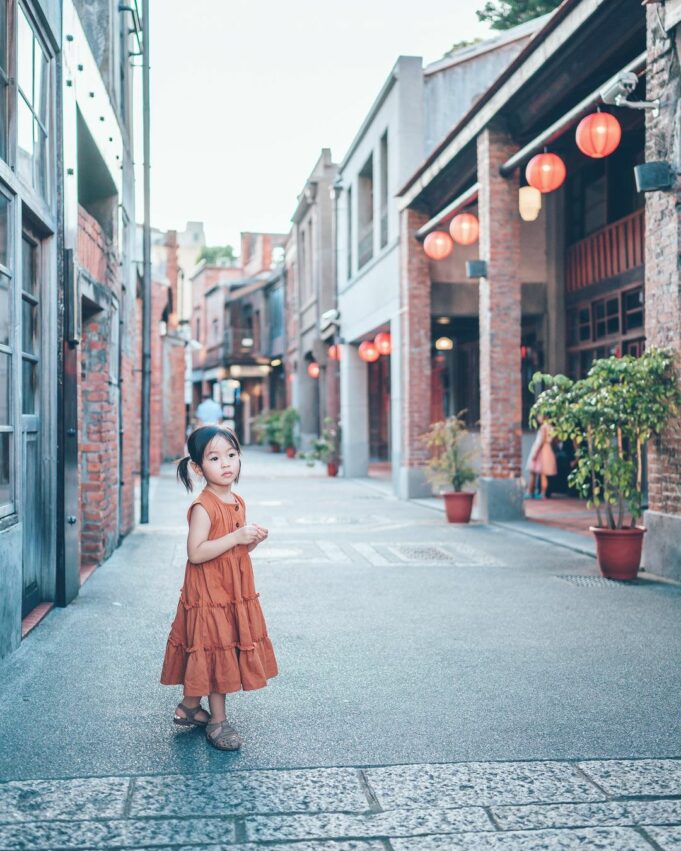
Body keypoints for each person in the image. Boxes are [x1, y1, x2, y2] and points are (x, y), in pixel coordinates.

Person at [160, 425, 278, 750]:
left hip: (232, 590)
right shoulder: (204, 506)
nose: (226, 463)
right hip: (209, 593)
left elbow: (233, 551)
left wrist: (251, 541)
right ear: (198, 467)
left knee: (212, 645)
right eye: (214, 458)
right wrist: (236, 538)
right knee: (215, 647)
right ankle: (217, 721)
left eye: (231, 455)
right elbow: (196, 553)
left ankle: (188, 707)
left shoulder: (237, 500)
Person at [525, 415, 558, 499]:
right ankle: (542, 493)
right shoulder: (550, 427)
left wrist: (534, 454)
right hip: (548, 450)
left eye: (539, 416)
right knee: (543, 474)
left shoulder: (543, 427)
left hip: (542, 451)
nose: (538, 418)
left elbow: (540, 441)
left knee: (534, 472)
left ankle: (531, 492)